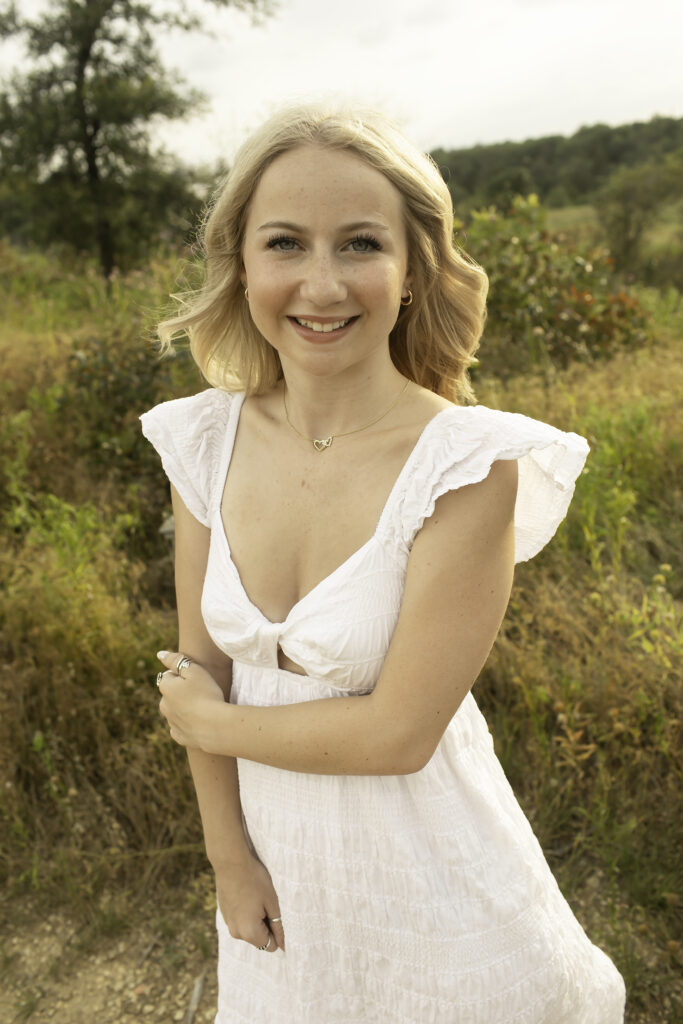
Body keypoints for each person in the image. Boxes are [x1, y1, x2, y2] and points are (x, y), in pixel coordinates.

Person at [140, 104, 625, 1024]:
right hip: (278, 869)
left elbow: (397, 734)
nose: (321, 285)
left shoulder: (464, 465)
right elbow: (196, 665)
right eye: (285, 243)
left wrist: (207, 723)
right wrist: (228, 860)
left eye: (359, 244)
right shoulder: (202, 439)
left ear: (410, 273)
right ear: (241, 264)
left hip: (433, 878)